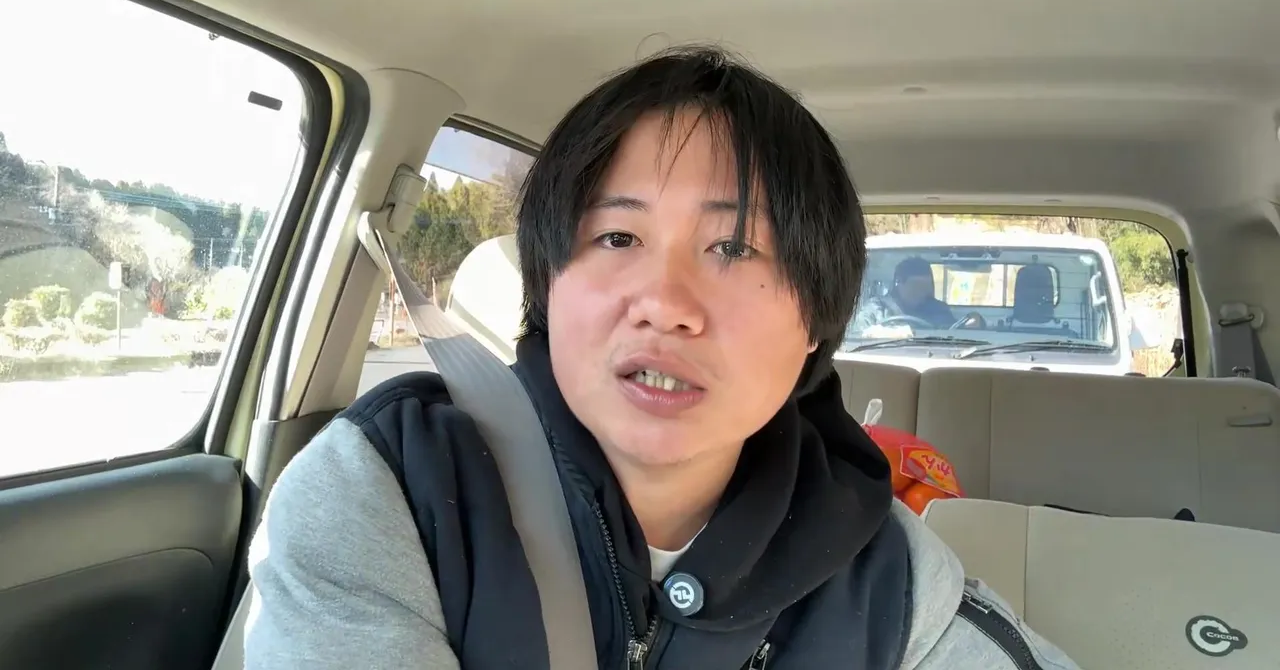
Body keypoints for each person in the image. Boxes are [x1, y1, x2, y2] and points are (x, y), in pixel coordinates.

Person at [244, 46, 1079, 669]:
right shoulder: (393, 492)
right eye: (617, 236)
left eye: (735, 248)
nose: (665, 302)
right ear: (548, 285)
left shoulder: (890, 588)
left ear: (816, 322)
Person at [848, 256, 958, 336]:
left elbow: (954, 335)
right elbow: (856, 339)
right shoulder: (876, 310)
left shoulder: (939, 310)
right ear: (899, 283)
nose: (922, 292)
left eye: (926, 287)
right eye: (916, 287)